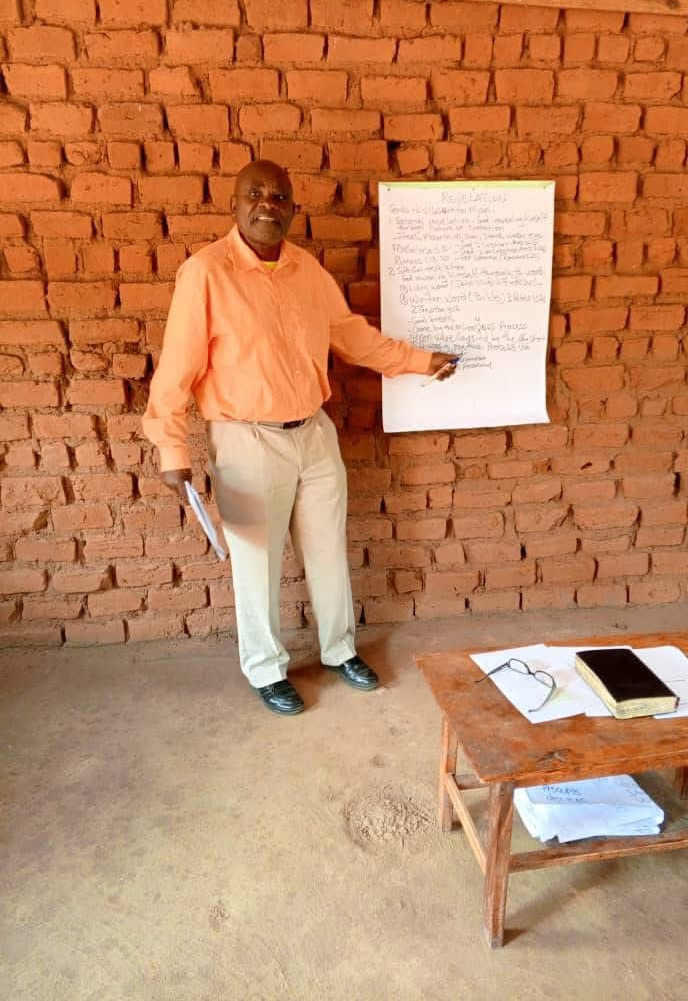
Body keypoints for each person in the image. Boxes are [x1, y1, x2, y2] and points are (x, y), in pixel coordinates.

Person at [143, 160, 457, 716]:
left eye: (279, 196)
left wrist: (420, 361)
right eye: (255, 194)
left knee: (328, 551)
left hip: (313, 434)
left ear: (292, 209)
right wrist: (172, 449)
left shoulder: (306, 270)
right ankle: (266, 669)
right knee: (257, 563)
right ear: (235, 205)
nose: (267, 204)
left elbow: (352, 337)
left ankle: (340, 651)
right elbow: (175, 371)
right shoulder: (205, 274)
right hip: (245, 438)